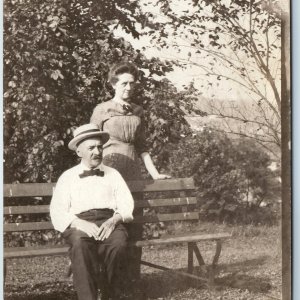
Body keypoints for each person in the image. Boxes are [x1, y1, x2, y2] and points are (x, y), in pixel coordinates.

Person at [90, 61, 170, 282]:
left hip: (133, 171)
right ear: (113, 84)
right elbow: (90, 144)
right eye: (124, 83)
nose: (129, 88)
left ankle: (131, 282)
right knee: (109, 222)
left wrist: (154, 174)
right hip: (108, 168)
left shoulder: (138, 111)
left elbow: (143, 147)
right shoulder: (101, 110)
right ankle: (105, 280)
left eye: (132, 84)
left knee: (133, 224)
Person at [50, 123, 134, 300]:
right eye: (91, 148)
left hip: (109, 221)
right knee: (80, 245)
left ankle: (110, 295)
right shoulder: (68, 177)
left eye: (99, 147)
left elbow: (126, 203)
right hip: (79, 223)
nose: (97, 152)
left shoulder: (113, 174)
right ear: (79, 152)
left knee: (118, 244)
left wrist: (114, 220)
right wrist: (78, 223)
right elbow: (57, 210)